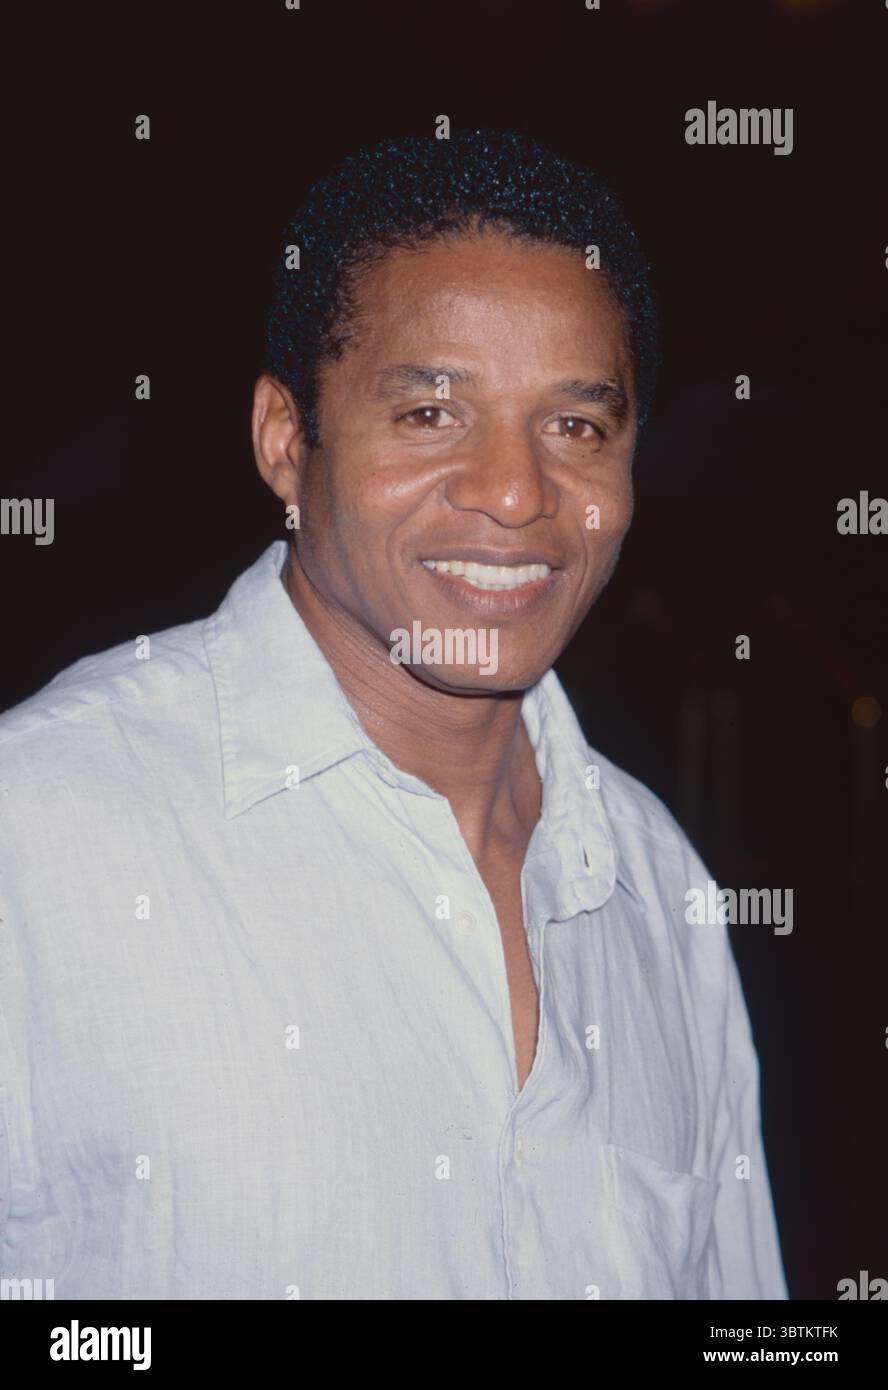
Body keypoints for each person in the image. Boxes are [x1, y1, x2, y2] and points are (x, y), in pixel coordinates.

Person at [0, 130, 787, 1299]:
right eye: (430, 413)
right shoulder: (43, 831)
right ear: (286, 439)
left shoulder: (653, 887)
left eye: (577, 426)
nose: (517, 491)